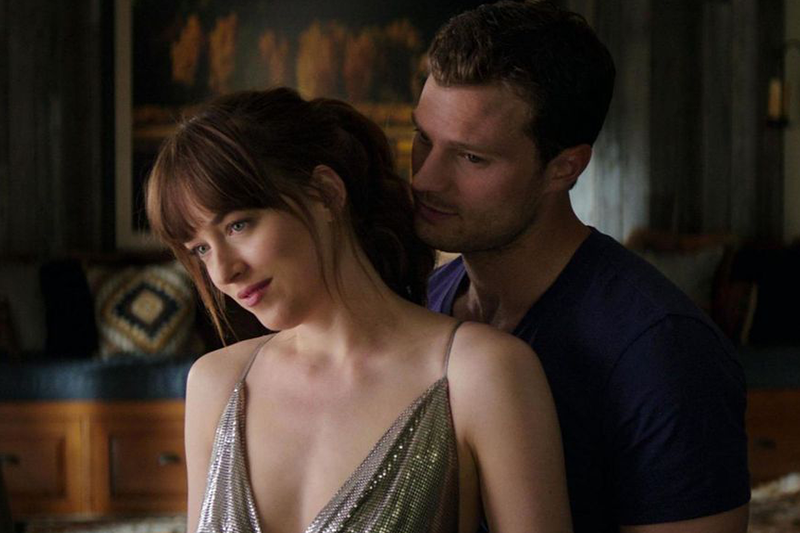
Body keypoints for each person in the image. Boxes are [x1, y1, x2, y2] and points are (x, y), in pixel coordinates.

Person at [146, 88, 572, 533]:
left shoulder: (481, 373)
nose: (222, 271)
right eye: (200, 249)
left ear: (326, 193)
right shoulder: (215, 383)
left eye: (238, 225)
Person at [413, 1, 750, 532]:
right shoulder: (421, 301)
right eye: (423, 140)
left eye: (471, 157)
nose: (424, 179)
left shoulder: (662, 351)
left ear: (564, 168)